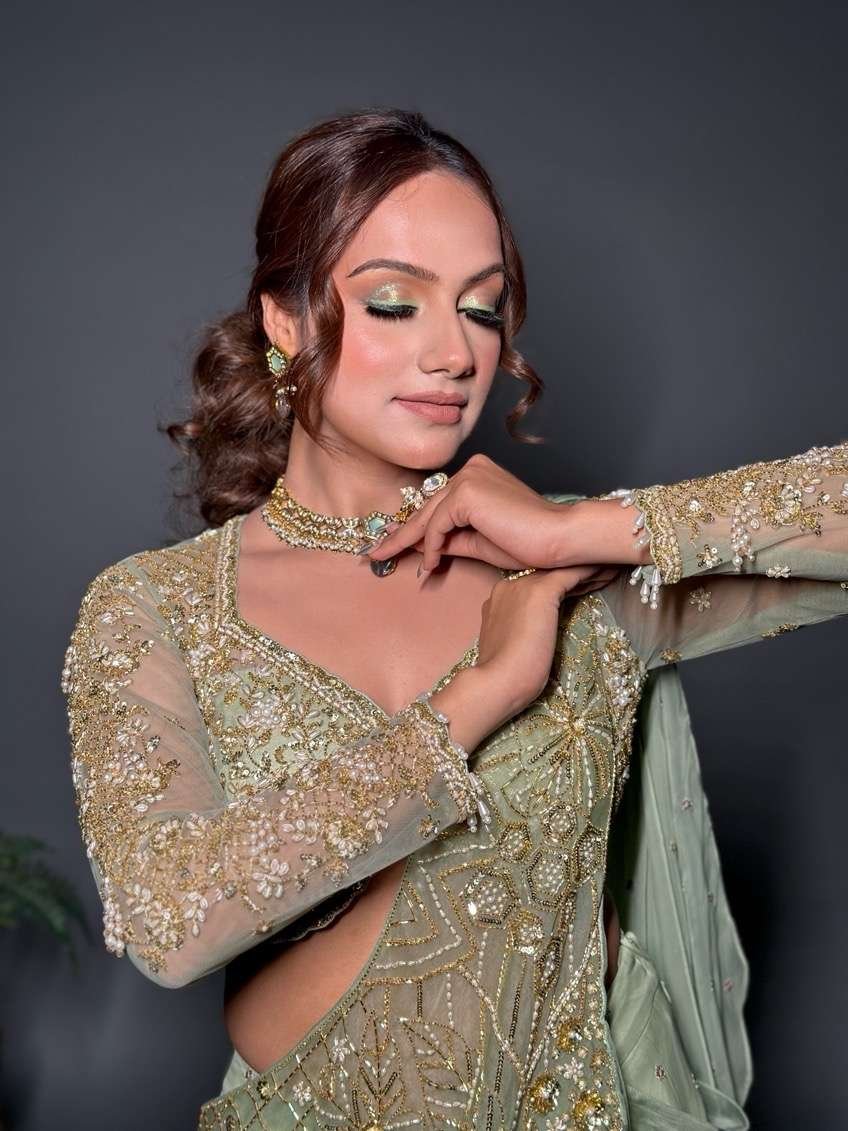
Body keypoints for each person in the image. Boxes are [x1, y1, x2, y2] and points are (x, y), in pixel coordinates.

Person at [59, 107, 847, 1131]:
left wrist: (582, 531)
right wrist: (476, 700)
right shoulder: (156, 608)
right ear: (285, 321)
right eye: (394, 304)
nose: (453, 353)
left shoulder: (580, 575)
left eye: (482, 309)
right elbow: (167, 922)